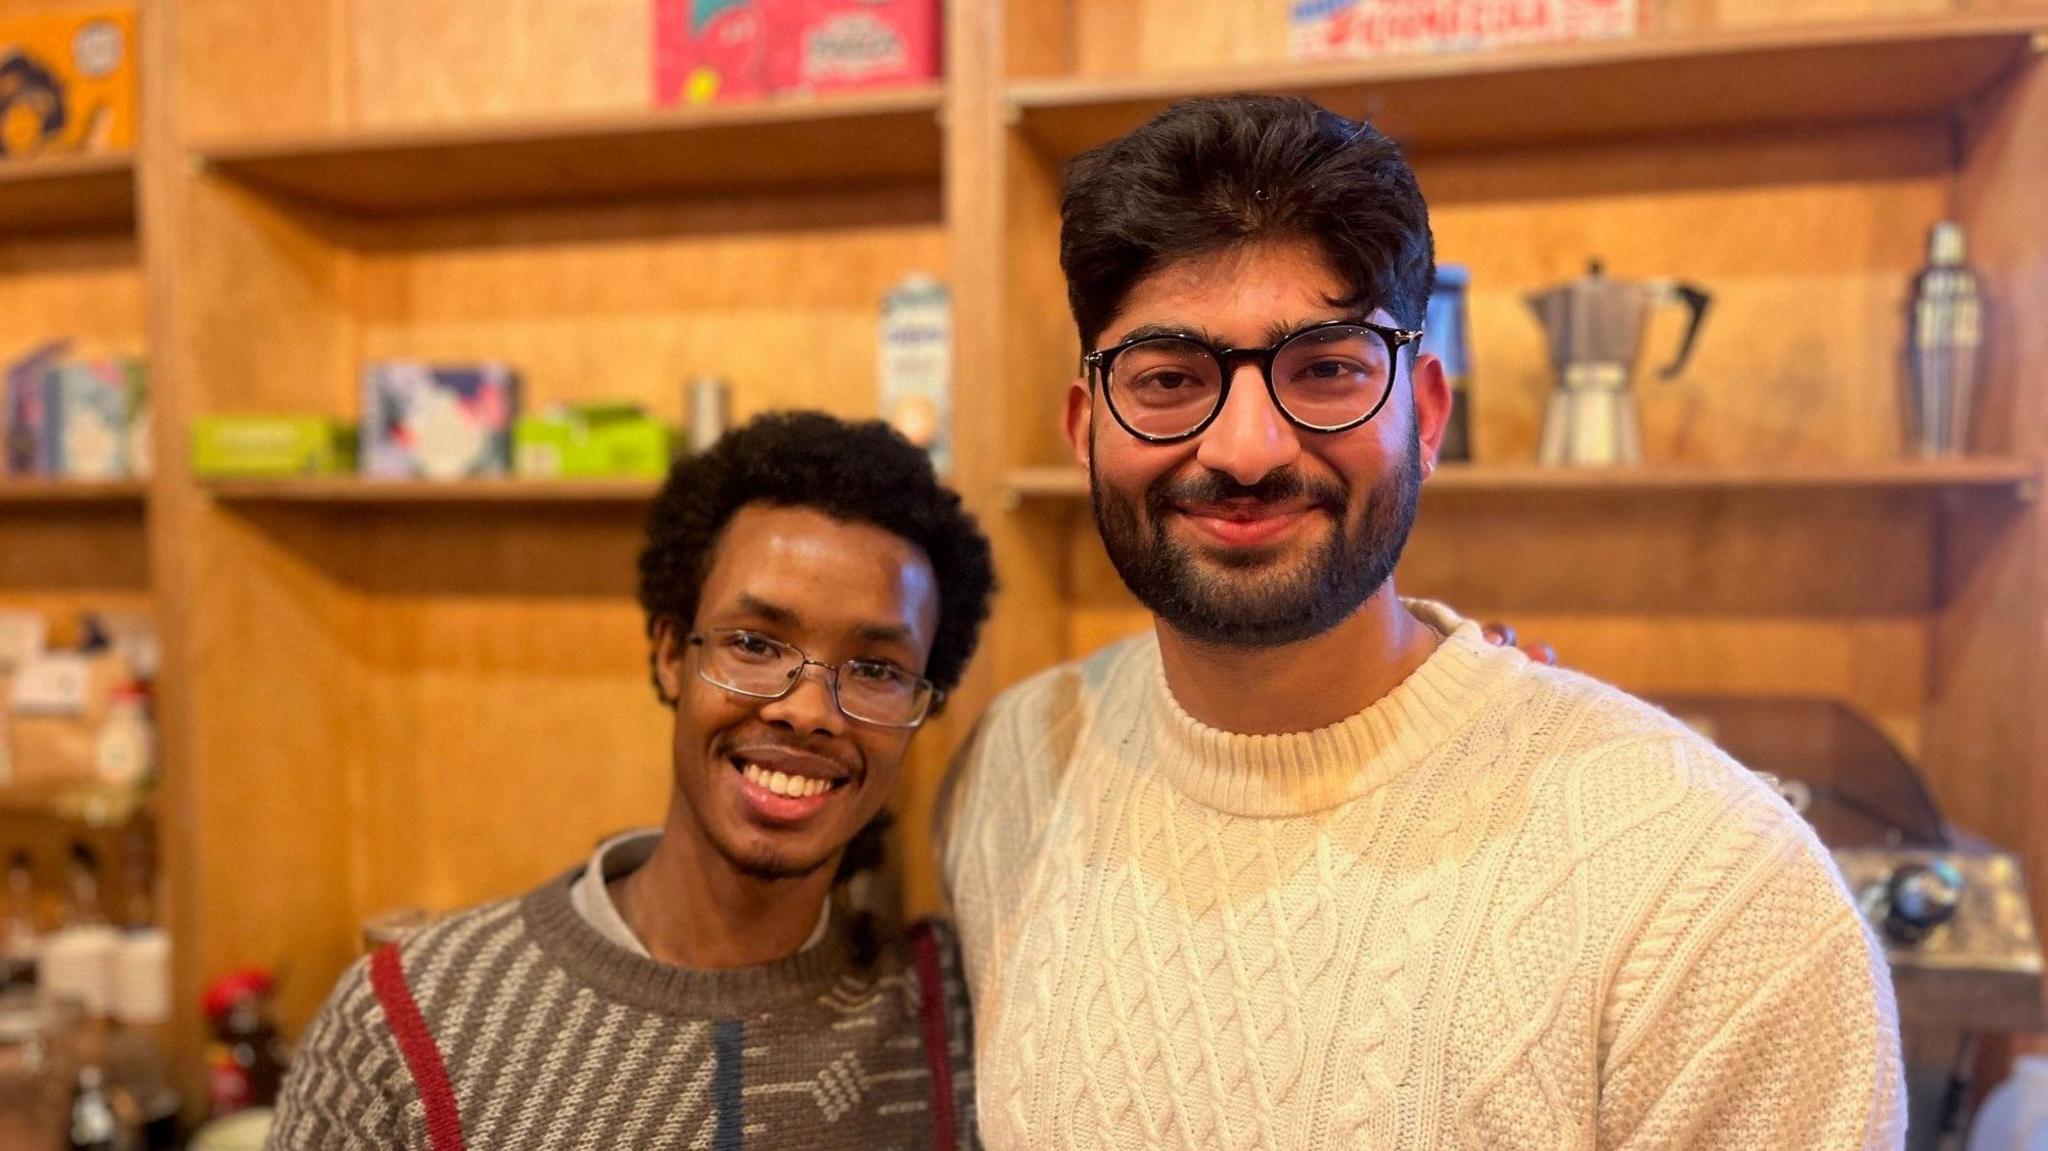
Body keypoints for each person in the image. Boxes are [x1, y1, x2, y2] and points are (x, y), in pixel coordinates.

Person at [939, 95, 1903, 1149]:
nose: (1248, 447)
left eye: (1326, 370)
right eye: (1169, 378)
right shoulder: (1012, 772)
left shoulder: (1714, 891)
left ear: (1425, 414)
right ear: (1087, 430)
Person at [271, 412, 993, 1150]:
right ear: (672, 653)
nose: (806, 710)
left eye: (876, 669)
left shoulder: (953, 1021)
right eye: (753, 643)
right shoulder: (407, 1023)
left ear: (921, 705)